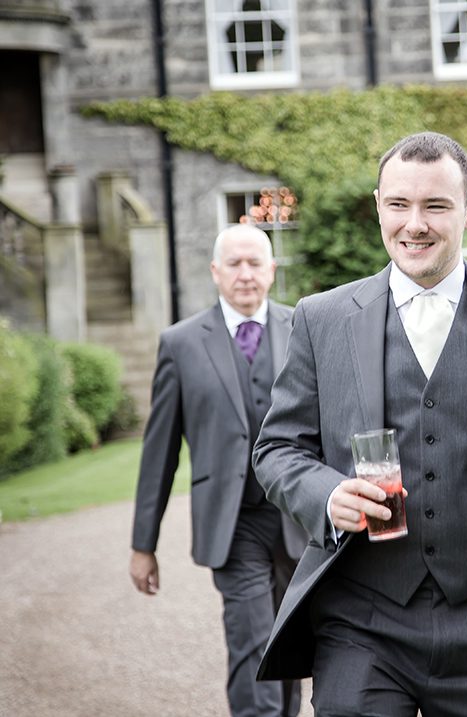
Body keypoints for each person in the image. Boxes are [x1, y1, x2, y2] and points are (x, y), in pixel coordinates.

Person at [251, 131, 467, 716]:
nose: (413, 224)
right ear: (378, 206)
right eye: (399, 204)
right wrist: (328, 494)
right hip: (360, 617)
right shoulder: (323, 318)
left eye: (435, 206)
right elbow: (278, 448)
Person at [129, 223, 307, 717]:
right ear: (215, 271)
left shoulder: (306, 329)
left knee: (291, 649)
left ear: (272, 271)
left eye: (256, 263)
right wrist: (144, 544)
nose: (245, 274)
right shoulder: (180, 343)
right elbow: (158, 452)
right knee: (253, 645)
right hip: (232, 525)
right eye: (235, 263)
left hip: (299, 520)